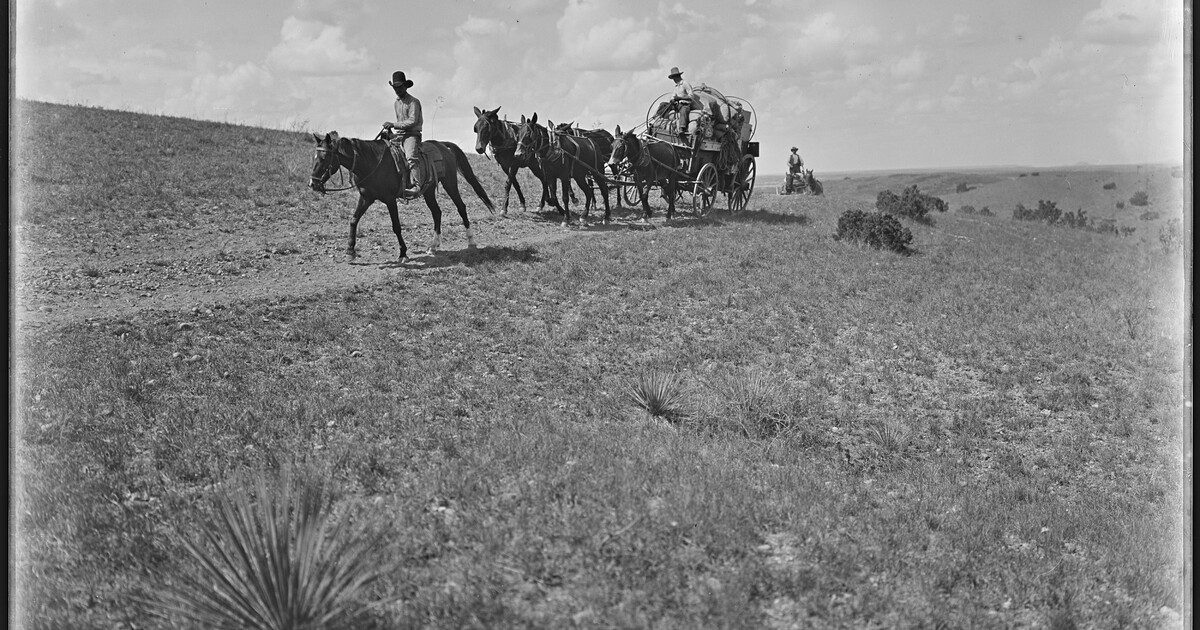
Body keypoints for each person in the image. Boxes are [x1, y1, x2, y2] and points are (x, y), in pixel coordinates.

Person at [382, 71, 424, 196]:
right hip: (399, 135)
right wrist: (391, 130)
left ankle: (416, 185)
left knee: (411, 157)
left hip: (411, 135)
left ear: (405, 86)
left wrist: (394, 125)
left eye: (400, 87)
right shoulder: (396, 103)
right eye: (395, 88)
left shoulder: (413, 102)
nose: (397, 90)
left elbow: (412, 121)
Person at [667, 66, 699, 142]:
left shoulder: (685, 84)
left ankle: (682, 128)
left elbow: (691, 96)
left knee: (683, 111)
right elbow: (673, 96)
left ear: (677, 76)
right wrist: (672, 100)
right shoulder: (676, 87)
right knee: (664, 107)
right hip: (677, 105)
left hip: (685, 105)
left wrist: (680, 98)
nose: (674, 80)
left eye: (674, 78)